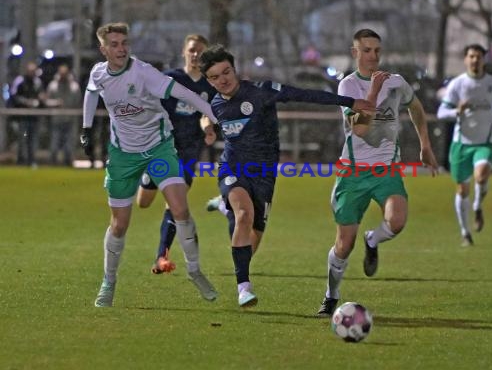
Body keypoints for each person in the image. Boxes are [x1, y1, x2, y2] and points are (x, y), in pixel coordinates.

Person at [199, 44, 375, 307]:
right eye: (215, 77)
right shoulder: (215, 103)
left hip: (265, 173)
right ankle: (243, 288)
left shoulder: (261, 92)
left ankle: (226, 209)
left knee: (252, 238)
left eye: (226, 72)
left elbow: (305, 94)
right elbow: (206, 114)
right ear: (209, 81)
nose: (222, 80)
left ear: (234, 70)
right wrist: (208, 128)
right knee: (244, 215)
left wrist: (350, 102)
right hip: (233, 169)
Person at [81, 22, 218, 307]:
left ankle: (194, 270)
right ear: (103, 49)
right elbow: (91, 91)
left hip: (159, 149)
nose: (121, 49)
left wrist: (213, 115)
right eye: (114, 44)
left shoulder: (143, 72)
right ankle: (109, 281)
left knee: (180, 208)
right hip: (123, 156)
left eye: (124, 43)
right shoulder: (98, 73)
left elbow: (187, 94)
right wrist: (86, 127)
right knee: (119, 225)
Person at [316, 28, 439, 317]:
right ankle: (331, 296)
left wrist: (425, 144)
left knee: (397, 221)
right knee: (343, 246)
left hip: (387, 170)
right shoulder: (347, 87)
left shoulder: (395, 82)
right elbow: (359, 128)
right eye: (366, 50)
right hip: (353, 173)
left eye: (377, 51)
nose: (373, 56)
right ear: (354, 52)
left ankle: (373, 240)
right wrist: (373, 90)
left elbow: (416, 107)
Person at [135, 34, 217, 274]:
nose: (195, 55)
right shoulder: (171, 79)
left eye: (200, 51)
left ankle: (161, 257)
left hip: (189, 152)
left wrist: (209, 128)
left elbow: (210, 114)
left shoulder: (209, 86)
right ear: (184, 52)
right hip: (162, 148)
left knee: (175, 203)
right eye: (192, 50)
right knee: (143, 202)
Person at [437, 43, 492, 247]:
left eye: (479, 56)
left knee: (482, 174)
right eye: (471, 56)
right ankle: (465, 232)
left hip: (485, 141)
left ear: (484, 59)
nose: (475, 60)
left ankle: (477, 206)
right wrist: (456, 111)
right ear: (466, 59)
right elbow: (442, 112)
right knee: (462, 190)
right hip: (462, 144)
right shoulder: (458, 84)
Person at [10, 61, 46, 167]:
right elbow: (13, 96)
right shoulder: (19, 80)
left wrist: (39, 100)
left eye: (33, 71)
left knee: (33, 140)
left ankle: (32, 160)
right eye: (30, 71)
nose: (32, 73)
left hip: (34, 117)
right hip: (22, 116)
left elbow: (41, 97)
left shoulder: (38, 82)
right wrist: (25, 102)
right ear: (27, 71)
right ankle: (21, 160)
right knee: (23, 139)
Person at [46, 64, 82, 166]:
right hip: (56, 119)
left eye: (65, 74)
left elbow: (78, 102)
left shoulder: (74, 87)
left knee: (69, 144)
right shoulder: (52, 86)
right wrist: (55, 103)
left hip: (70, 120)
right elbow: (47, 101)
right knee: (54, 142)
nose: (63, 76)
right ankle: (53, 162)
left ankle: (68, 162)